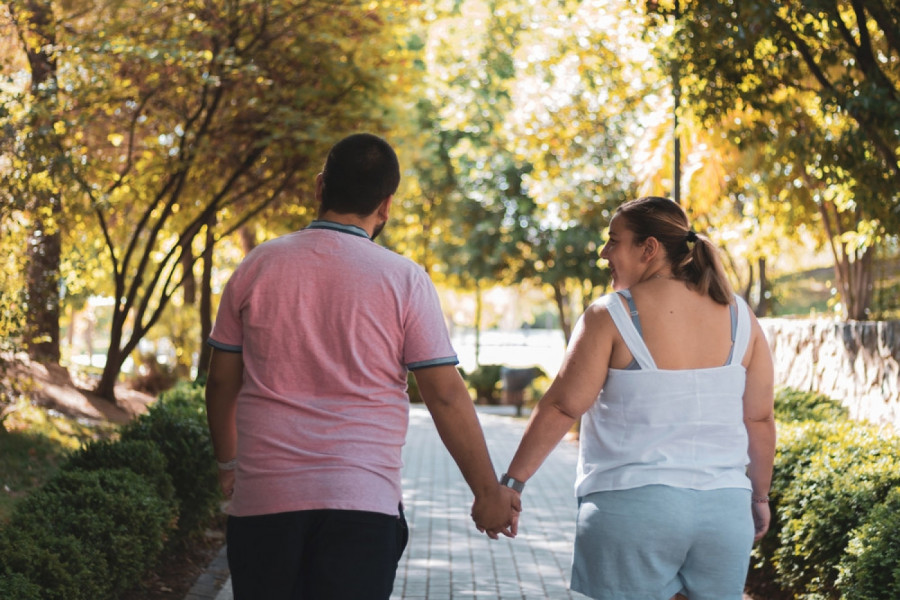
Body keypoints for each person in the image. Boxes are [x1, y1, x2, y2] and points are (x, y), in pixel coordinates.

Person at [204, 132, 519, 600]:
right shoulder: (405, 280)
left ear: (319, 187)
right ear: (386, 205)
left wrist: (229, 463)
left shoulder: (256, 266)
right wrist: (488, 492)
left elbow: (221, 383)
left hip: (264, 499)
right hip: (362, 504)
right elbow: (444, 394)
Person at [498, 196, 776, 600]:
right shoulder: (740, 316)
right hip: (724, 514)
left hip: (632, 511)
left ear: (649, 248)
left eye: (614, 240)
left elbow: (562, 406)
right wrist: (759, 498)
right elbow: (760, 419)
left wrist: (511, 483)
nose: (604, 252)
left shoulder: (610, 314)